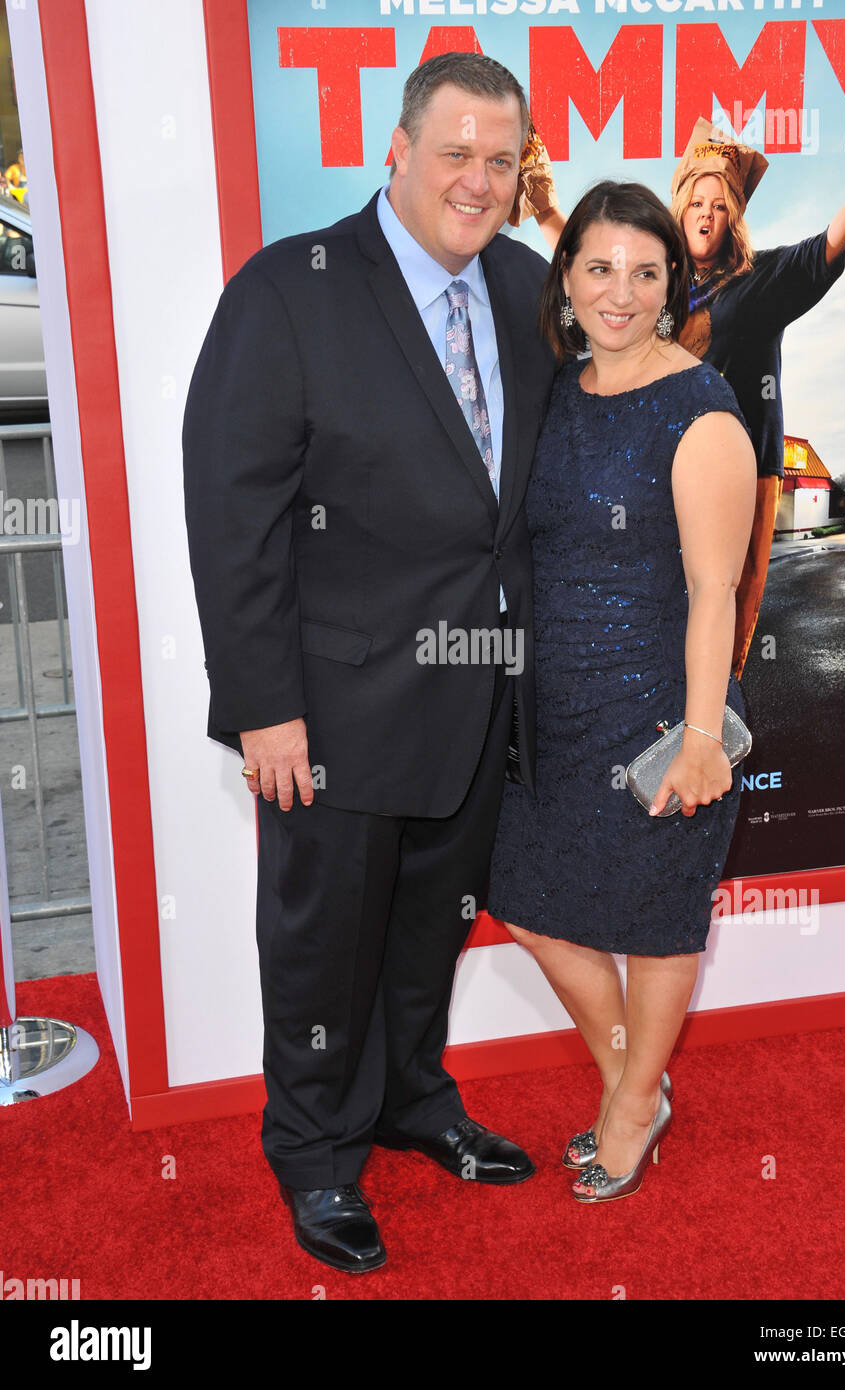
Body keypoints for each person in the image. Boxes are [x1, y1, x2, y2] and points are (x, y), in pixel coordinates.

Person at [182, 52, 556, 1273]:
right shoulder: (291, 289)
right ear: (396, 151)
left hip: (474, 695)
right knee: (323, 941)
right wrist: (264, 708)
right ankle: (315, 1151)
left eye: (501, 160)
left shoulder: (521, 287)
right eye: (456, 151)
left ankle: (411, 1101)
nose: (478, 180)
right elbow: (231, 510)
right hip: (332, 708)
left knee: (424, 932)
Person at [485, 181, 756, 1203]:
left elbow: (715, 591)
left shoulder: (701, 410)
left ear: (673, 285)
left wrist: (698, 737)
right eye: (599, 267)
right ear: (567, 279)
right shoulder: (556, 392)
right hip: (551, 712)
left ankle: (633, 1104)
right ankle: (630, 1078)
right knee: (533, 906)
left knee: (653, 921)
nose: (621, 291)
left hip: (657, 709)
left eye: (647, 272)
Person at [671, 115, 845, 675]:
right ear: (680, 210)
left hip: (745, 470)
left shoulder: (758, 279)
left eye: (719, 205)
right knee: (667, 610)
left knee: (729, 612)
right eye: (698, 202)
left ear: (733, 218)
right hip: (670, 467)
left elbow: (825, 247)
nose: (707, 214)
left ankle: (719, 724)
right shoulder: (661, 286)